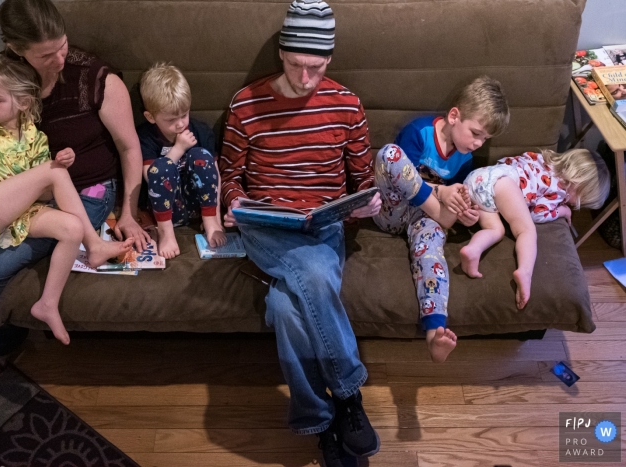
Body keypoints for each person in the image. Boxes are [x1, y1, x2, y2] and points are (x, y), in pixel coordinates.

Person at [0, 0, 149, 381]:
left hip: (82, 190)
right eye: (47, 54)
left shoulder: (96, 78)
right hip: (8, 185)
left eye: (62, 45)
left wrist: (128, 211)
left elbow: (131, 148)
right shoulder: (2, 76)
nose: (61, 58)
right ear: (17, 50)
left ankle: (0, 342)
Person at [220, 1, 382, 465]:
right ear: (281, 55)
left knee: (286, 307)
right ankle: (350, 392)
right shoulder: (247, 104)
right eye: (295, 66)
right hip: (266, 227)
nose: (305, 78)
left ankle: (321, 420)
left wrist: (367, 201)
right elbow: (229, 174)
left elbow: (361, 180)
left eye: (316, 67)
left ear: (328, 60)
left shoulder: (346, 105)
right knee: (313, 276)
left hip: (323, 226)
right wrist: (233, 201)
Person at [0, 55, 133, 345]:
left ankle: (47, 304)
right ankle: (95, 245)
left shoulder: (33, 138)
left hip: (14, 215)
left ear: (24, 103)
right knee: (52, 172)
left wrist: (54, 169)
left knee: (70, 227)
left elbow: (42, 194)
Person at [374, 76, 510, 364]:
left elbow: (458, 196)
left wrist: (466, 213)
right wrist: (441, 194)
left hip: (426, 221)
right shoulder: (419, 132)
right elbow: (400, 174)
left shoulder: (465, 158)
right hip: (393, 210)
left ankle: (434, 335)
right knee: (389, 154)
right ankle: (440, 216)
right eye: (475, 133)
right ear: (454, 116)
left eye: (484, 139)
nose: (477, 143)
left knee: (432, 256)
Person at [461, 149, 610, 308]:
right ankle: (525, 272)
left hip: (477, 180)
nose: (575, 205)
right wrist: (561, 211)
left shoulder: (541, 159)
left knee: (496, 230)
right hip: (504, 182)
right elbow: (537, 214)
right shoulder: (557, 190)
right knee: (527, 231)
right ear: (577, 184)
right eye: (581, 200)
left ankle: (473, 250)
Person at [137, 63, 225, 259]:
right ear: (151, 117)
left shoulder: (201, 131)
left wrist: (216, 217)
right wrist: (178, 149)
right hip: (166, 211)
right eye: (171, 120)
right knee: (160, 168)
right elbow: (150, 176)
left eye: (184, 115)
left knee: (202, 155)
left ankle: (211, 222)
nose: (180, 124)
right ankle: (166, 234)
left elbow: (215, 176)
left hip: (198, 206)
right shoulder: (145, 137)